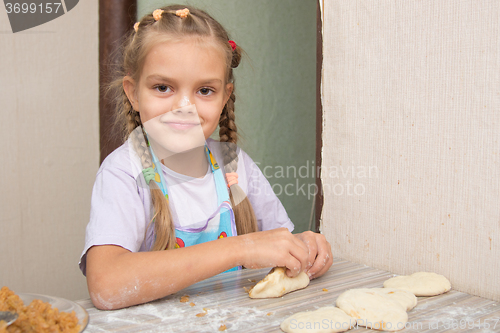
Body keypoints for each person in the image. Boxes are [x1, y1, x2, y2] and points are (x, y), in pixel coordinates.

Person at [80, 5, 332, 310]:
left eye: (204, 90)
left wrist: (304, 247)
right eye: (163, 87)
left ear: (225, 97)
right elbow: (106, 285)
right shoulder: (124, 172)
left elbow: (278, 244)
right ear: (133, 93)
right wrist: (238, 249)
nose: (184, 107)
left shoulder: (233, 162)